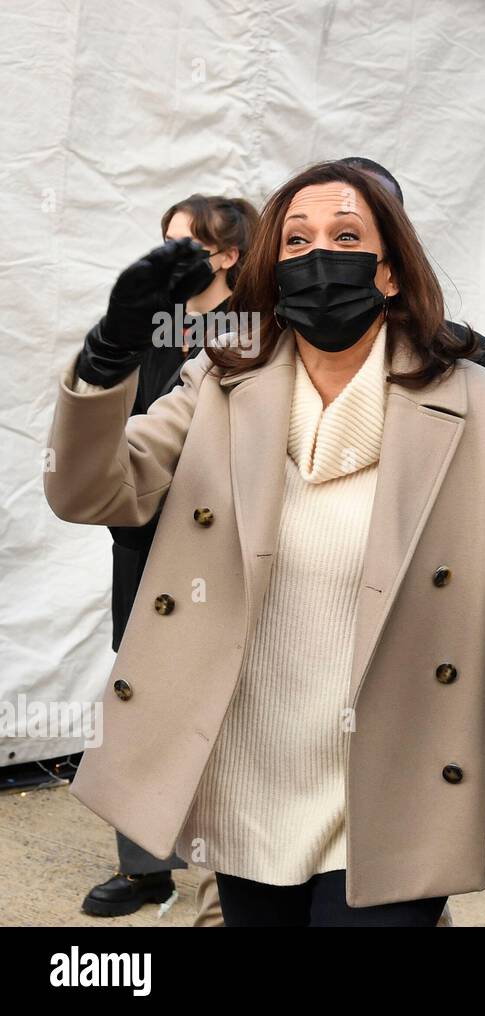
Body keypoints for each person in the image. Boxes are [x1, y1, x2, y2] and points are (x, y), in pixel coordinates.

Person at [45, 160, 485, 927]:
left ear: (388, 270)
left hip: (396, 788)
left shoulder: (483, 408)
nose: (321, 256)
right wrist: (106, 357)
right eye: (296, 240)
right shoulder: (215, 385)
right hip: (248, 792)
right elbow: (90, 491)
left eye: (347, 236)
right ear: (272, 271)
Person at [80, 193, 258, 920]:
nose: (168, 258)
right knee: (140, 705)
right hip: (142, 549)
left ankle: (226, 881)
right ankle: (147, 867)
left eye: (184, 244)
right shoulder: (155, 332)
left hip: (212, 558)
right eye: (164, 243)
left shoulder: (251, 338)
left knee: (214, 721)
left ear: (228, 255)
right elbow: (119, 439)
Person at [340, 155, 485, 374]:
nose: (326, 250)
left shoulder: (464, 360)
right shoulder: (278, 350)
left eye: (348, 236)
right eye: (299, 239)